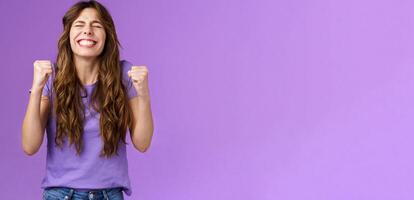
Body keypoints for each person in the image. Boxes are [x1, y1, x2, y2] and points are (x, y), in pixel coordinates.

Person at [21, 1, 154, 199]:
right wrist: (37, 88)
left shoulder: (124, 74)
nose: (88, 31)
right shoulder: (52, 77)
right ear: (68, 35)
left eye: (97, 25)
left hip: (110, 195)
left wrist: (143, 93)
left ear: (107, 35)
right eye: (79, 25)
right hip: (60, 194)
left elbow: (142, 143)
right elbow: (30, 146)